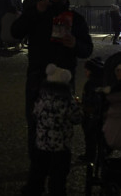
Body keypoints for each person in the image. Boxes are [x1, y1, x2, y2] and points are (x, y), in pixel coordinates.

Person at [9, 0, 94, 196]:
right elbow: (15, 32)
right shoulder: (38, 11)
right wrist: (33, 13)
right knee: (35, 126)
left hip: (64, 81)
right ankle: (36, 179)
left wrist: (75, 43)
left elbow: (87, 49)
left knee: (62, 129)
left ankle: (57, 181)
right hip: (38, 78)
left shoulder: (75, 18)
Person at [32, 64, 84, 196]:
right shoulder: (68, 101)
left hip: (42, 144)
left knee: (39, 171)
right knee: (58, 175)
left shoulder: (42, 99)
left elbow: (35, 113)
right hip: (61, 145)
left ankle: (35, 190)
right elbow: (77, 118)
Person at [80, 56, 104, 163]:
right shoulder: (103, 82)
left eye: (86, 70)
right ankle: (101, 155)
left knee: (90, 137)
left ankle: (90, 156)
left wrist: (82, 105)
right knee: (100, 137)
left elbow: (89, 100)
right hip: (102, 115)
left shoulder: (90, 84)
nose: (85, 72)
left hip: (91, 116)